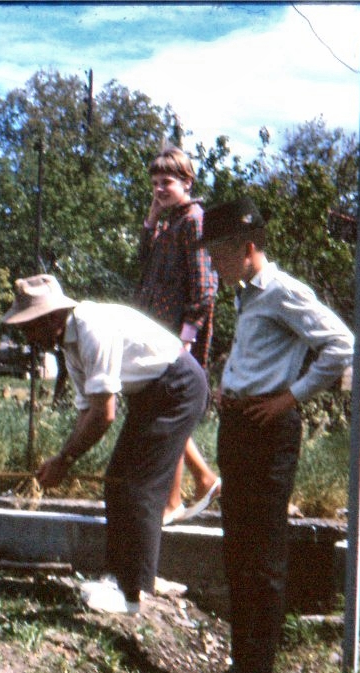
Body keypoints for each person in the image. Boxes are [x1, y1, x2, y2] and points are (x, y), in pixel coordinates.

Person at [200, 198, 354, 673]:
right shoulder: (247, 297)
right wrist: (230, 385)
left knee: (262, 555)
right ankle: (242, 664)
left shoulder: (284, 291)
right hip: (239, 427)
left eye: (219, 254)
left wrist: (291, 396)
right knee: (238, 549)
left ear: (247, 249)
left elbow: (341, 344)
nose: (213, 264)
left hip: (268, 432)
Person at [2, 274, 208, 615]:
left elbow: (104, 414)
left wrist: (65, 460)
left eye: (29, 327)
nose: (27, 337)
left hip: (178, 386)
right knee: (118, 482)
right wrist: (60, 458)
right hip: (152, 391)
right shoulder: (69, 346)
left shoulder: (90, 326)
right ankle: (123, 578)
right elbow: (88, 412)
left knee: (139, 486)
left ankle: (133, 595)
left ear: (51, 317)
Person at [135, 145, 221, 525]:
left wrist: (187, 336)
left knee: (169, 413)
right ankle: (200, 481)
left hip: (179, 337)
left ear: (187, 182)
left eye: (166, 182)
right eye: (154, 183)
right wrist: (151, 221)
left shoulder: (194, 221)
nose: (158, 189)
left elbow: (205, 286)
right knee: (163, 412)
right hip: (159, 333)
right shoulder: (170, 221)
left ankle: (177, 498)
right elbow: (143, 262)